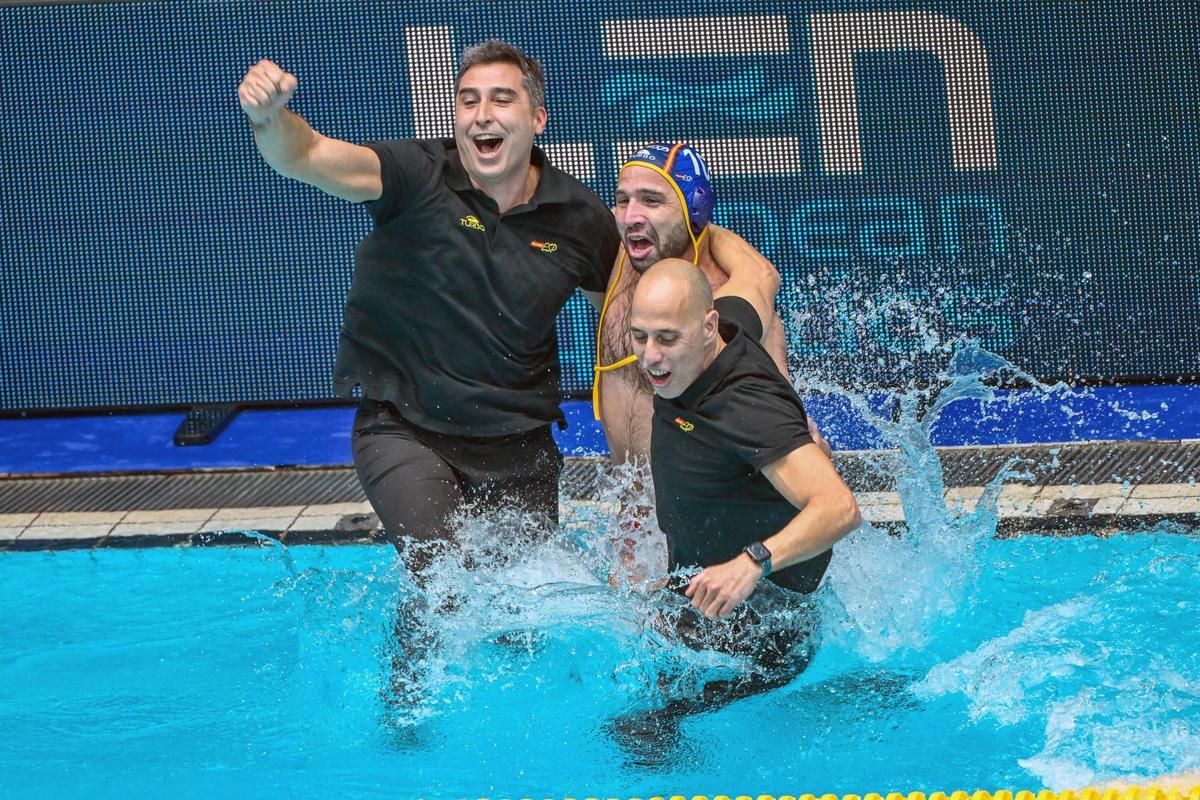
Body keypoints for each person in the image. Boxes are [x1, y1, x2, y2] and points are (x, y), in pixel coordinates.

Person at [237, 42, 620, 564]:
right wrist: (269, 117)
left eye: (502, 100)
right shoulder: (415, 175)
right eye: (468, 100)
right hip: (405, 428)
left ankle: (410, 648)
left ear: (537, 119)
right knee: (445, 579)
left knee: (525, 615)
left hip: (520, 445)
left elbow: (620, 336)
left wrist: (636, 463)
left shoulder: (581, 219)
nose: (481, 115)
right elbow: (304, 154)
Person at [606, 258, 861, 763]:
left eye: (666, 340)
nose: (650, 358)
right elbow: (762, 278)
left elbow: (840, 507)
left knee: (641, 734)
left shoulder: (746, 404)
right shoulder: (725, 320)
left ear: (706, 328)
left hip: (763, 627)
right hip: (701, 598)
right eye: (640, 337)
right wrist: (693, 218)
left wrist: (752, 563)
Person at [592, 142, 829, 467]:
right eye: (622, 200)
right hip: (630, 508)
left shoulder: (726, 301)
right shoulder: (626, 258)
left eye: (651, 200)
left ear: (695, 209)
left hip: (704, 512)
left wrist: (806, 447)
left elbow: (786, 428)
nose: (631, 216)